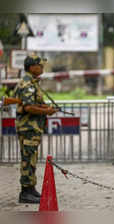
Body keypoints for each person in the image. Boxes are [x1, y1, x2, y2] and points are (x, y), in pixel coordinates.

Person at [13, 54, 58, 204]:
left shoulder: (32, 82)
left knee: (31, 158)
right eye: (40, 65)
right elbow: (28, 107)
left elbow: (33, 103)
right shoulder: (28, 84)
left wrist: (45, 107)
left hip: (32, 128)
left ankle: (31, 189)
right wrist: (47, 111)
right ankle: (25, 192)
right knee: (28, 159)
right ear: (32, 67)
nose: (42, 68)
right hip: (28, 128)